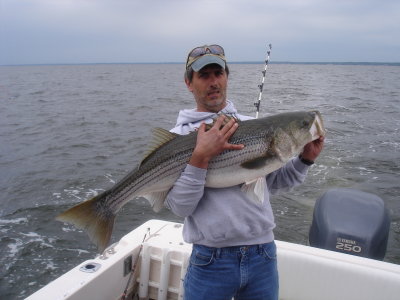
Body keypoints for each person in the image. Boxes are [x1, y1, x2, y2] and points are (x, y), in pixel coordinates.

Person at [165, 44, 324, 300]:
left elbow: (273, 184)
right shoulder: (177, 138)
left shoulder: (253, 126)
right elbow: (181, 207)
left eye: (218, 73)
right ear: (189, 83)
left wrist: (305, 160)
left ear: (227, 76)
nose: (213, 82)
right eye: (204, 76)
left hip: (263, 255)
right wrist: (199, 157)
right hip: (210, 260)